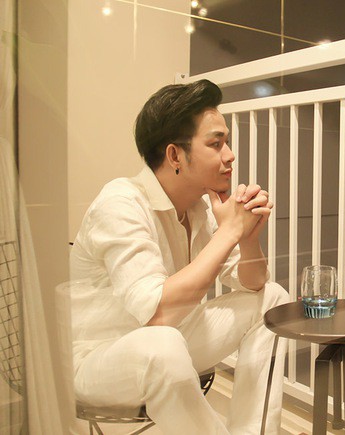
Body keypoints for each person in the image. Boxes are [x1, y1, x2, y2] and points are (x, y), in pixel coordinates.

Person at [69, 79, 288, 434]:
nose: (230, 155)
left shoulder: (200, 207)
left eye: (226, 142)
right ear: (174, 156)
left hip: (168, 343)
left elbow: (254, 283)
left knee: (273, 299)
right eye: (216, 143)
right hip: (99, 361)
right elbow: (158, 314)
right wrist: (230, 231)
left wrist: (248, 238)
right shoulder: (120, 203)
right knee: (163, 341)